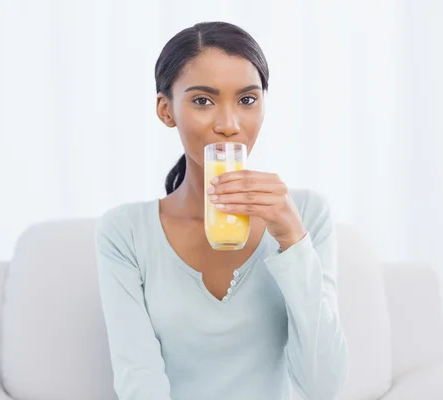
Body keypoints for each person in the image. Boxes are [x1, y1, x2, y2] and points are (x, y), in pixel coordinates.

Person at [95, 21, 349, 400]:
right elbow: (139, 381)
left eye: (247, 100)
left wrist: (294, 243)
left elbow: (324, 386)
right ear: (167, 111)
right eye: (202, 100)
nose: (229, 125)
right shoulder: (125, 231)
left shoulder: (307, 213)